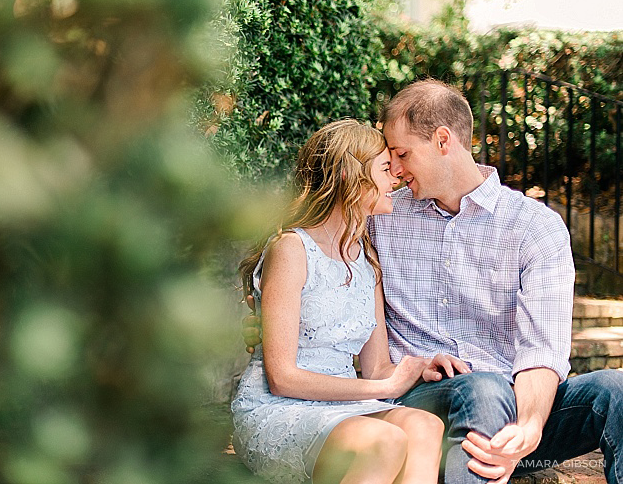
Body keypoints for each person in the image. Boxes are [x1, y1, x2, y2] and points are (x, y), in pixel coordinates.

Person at [245, 79, 623, 484]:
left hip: (517, 408)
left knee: (615, 390)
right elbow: (323, 254)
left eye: (402, 154)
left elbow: (541, 352)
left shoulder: (535, 228)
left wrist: (529, 428)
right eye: (388, 162)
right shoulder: (382, 216)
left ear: (443, 140)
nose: (396, 170)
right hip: (426, 400)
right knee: (482, 389)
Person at [231, 118, 467, 484]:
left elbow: (376, 368)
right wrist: (385, 389)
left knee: (424, 426)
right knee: (383, 440)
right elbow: (281, 378)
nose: (396, 178)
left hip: (343, 407)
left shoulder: (366, 260)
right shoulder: (291, 250)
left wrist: (417, 366)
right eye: (386, 169)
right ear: (348, 178)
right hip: (279, 408)